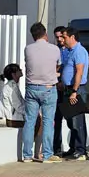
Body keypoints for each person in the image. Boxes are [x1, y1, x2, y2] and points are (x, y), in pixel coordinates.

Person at [22, 22, 62, 163]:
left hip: (31, 88)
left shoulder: (28, 49)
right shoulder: (55, 49)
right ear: (45, 33)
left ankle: (27, 155)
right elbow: (58, 65)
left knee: (30, 122)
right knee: (48, 122)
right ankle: (47, 154)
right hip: (48, 88)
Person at [60, 27, 89, 161]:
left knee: (78, 121)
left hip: (76, 89)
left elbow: (79, 71)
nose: (62, 40)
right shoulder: (69, 51)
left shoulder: (79, 51)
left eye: (64, 37)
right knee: (71, 122)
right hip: (68, 88)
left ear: (72, 37)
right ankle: (73, 148)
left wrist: (74, 91)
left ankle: (81, 150)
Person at [52, 25, 69, 157]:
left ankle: (73, 147)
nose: (59, 39)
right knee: (56, 120)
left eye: (61, 37)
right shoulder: (54, 50)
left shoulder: (71, 51)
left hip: (68, 89)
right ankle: (56, 148)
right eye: (57, 37)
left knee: (71, 120)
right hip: (57, 88)